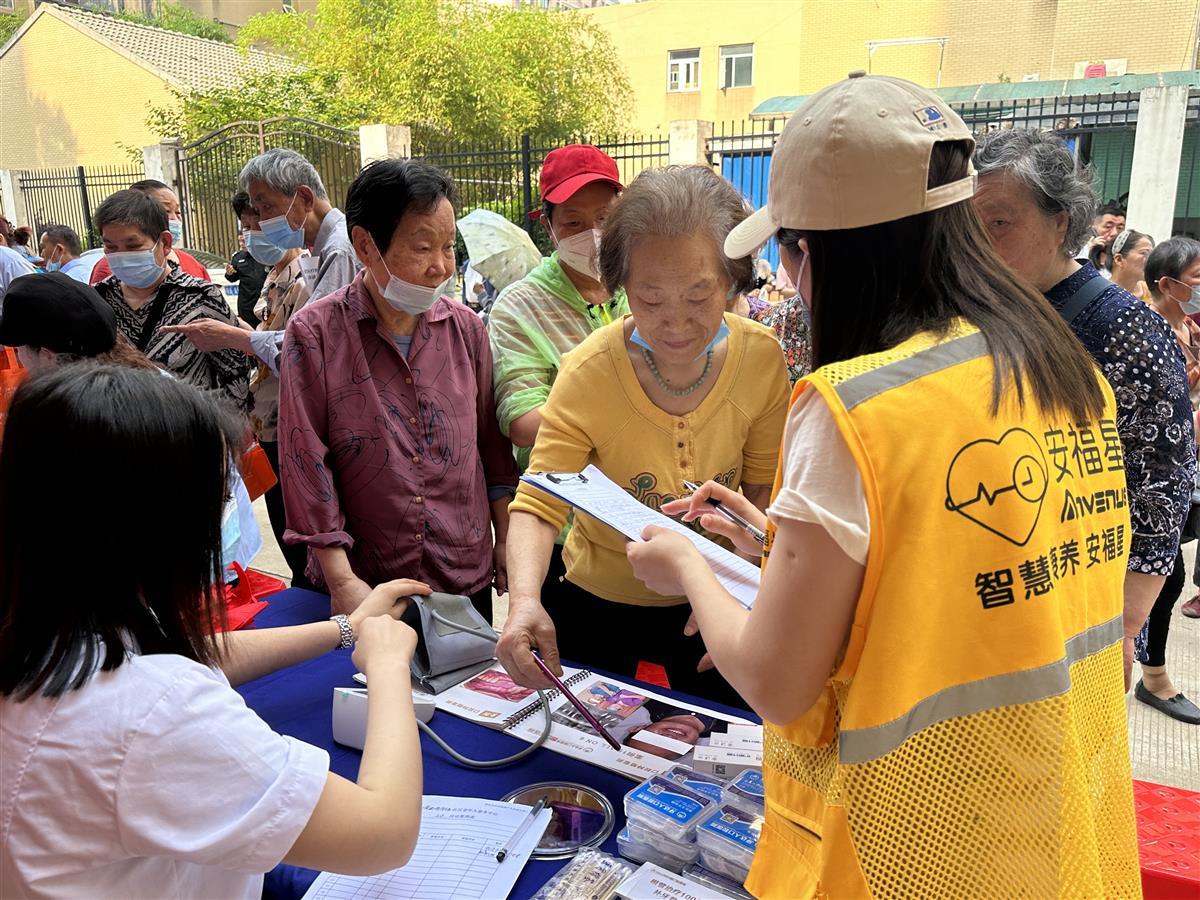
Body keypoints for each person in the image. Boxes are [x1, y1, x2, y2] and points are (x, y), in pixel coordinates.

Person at [626, 73, 1140, 899]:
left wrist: (686, 563)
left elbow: (779, 680)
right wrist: (778, 543)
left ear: (823, 252)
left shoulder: (857, 406)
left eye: (788, 252)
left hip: (911, 842)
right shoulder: (1056, 364)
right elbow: (943, 580)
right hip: (1050, 818)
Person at [0, 364, 429, 897]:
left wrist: (347, 628)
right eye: (218, 500)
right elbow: (382, 835)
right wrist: (388, 667)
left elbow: (194, 656)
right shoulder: (153, 714)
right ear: (158, 523)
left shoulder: (45, 622)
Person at [495, 165, 789, 706]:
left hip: (711, 603)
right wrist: (524, 603)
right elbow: (539, 501)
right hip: (596, 604)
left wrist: (744, 583)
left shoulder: (762, 358)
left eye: (701, 296)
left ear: (732, 280)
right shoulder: (588, 370)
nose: (676, 323)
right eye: (650, 300)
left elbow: (764, 489)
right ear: (620, 285)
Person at [973, 129, 1195, 691]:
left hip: (1077, 590)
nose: (977, 242)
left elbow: (1161, 477)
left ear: (1060, 223)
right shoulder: (976, 308)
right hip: (993, 575)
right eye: (965, 225)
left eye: (999, 223)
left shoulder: (1125, 329)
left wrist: (1123, 624)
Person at [278, 159, 517, 620]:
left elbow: (493, 448)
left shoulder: (466, 330)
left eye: (449, 248)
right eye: (423, 247)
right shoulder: (317, 333)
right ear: (366, 245)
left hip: (460, 572)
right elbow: (305, 462)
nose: (441, 267)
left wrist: (504, 538)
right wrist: (342, 579)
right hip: (368, 580)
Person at [164, 199, 315, 587]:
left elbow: (301, 352)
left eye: (259, 224)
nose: (252, 234)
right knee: (281, 517)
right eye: (247, 225)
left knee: (295, 523)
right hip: (266, 417)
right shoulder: (273, 275)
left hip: (289, 421)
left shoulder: (305, 278)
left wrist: (238, 338)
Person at [489, 144, 628, 471]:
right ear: (549, 229)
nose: (593, 234)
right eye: (573, 223)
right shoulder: (520, 308)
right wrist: (627, 406)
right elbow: (522, 422)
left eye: (604, 218)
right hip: (566, 505)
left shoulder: (645, 287)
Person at [90, 189, 249, 409]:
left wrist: (223, 432)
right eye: (111, 247)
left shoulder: (201, 297)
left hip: (190, 433)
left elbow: (235, 373)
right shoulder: (97, 300)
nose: (121, 255)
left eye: (133, 246)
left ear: (164, 243)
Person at [1132, 236, 1200, 724]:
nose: (1199, 289)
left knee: (1168, 573)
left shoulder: (1189, 329)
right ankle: (1152, 676)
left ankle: (1151, 673)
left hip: (1180, 468)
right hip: (1151, 475)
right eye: (1195, 281)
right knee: (1165, 573)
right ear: (1167, 284)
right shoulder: (1144, 331)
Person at [240, 148, 360, 302]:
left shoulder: (338, 250)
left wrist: (229, 328)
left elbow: (322, 325)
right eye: (258, 210)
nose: (262, 220)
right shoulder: (323, 247)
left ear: (305, 198)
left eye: (267, 207)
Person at [90, 179, 210, 284]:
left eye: (178, 212)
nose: (174, 219)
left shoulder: (193, 266)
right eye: (166, 211)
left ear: (166, 241)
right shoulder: (107, 273)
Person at [225, 192, 269, 328]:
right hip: (247, 309)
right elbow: (233, 278)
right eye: (247, 227)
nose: (254, 232)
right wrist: (230, 273)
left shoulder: (279, 260)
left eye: (260, 225)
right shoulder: (238, 258)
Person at [1095, 228, 1154, 301]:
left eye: (1151, 255)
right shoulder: (1101, 295)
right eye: (1144, 253)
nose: (1151, 260)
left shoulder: (1152, 293)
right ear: (1119, 259)